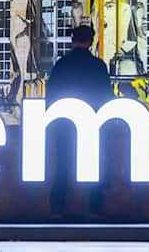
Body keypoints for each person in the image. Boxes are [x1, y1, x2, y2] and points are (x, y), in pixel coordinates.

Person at [45, 25, 113, 221]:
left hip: (65, 123)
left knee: (63, 165)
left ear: (73, 40)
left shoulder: (62, 65)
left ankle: (56, 209)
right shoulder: (98, 66)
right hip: (92, 122)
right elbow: (105, 97)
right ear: (91, 42)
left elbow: (52, 94)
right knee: (95, 165)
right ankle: (94, 208)